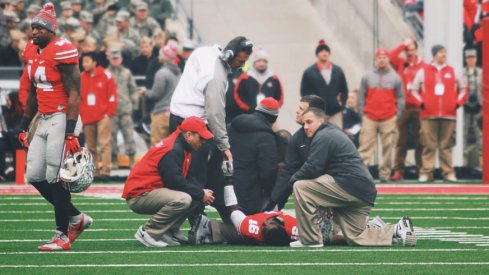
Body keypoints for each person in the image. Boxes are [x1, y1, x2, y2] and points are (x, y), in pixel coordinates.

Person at [18, 3, 92, 251]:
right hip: (44, 116)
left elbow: (75, 93)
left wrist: (71, 130)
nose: (34, 31)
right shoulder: (32, 52)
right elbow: (31, 94)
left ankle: (62, 234)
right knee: (35, 176)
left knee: (55, 176)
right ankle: (76, 218)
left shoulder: (63, 50)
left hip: (62, 116)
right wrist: (23, 125)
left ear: (51, 31)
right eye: (33, 27)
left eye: (40, 28)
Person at [289, 108, 415, 247]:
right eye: (304, 123)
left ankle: (310, 240)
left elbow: (312, 168)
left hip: (348, 186)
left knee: (301, 187)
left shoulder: (323, 136)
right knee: (356, 236)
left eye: (309, 122)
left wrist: (289, 183)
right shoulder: (331, 132)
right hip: (363, 191)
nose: (305, 126)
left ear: (321, 120)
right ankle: (396, 229)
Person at [169, 36, 253, 218]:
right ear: (229, 55)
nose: (241, 66)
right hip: (192, 126)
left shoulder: (204, 51)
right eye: (240, 61)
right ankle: (196, 223)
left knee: (178, 175)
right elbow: (215, 112)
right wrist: (224, 145)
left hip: (177, 116)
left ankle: (176, 223)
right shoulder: (216, 75)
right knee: (195, 178)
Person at [122, 116, 215, 247]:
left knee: (194, 194)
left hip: (149, 190)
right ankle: (148, 232)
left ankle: (169, 231)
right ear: (188, 135)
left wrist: (199, 193)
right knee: (185, 198)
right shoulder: (172, 149)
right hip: (139, 195)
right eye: (201, 138)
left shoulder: (181, 145)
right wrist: (200, 193)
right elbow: (174, 182)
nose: (203, 142)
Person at [411, 45, 468, 182]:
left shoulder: (453, 71)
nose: (444, 54)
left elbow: (464, 89)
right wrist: (421, 103)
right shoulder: (423, 71)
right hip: (428, 115)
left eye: (445, 52)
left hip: (448, 115)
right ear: (435, 54)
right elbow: (413, 90)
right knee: (428, 145)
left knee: (446, 146)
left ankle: (448, 173)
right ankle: (426, 172)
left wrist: (457, 103)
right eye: (441, 52)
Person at [267, 95, 326, 210]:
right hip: (320, 189)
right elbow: (288, 171)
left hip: (343, 189)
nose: (297, 111)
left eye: (301, 109)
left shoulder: (329, 135)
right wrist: (274, 203)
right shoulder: (297, 138)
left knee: (300, 185)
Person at [357, 48, 404, 182]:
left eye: (384, 57)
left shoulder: (396, 78)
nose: (382, 59)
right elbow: (361, 96)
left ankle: (384, 174)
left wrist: (397, 115)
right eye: (379, 57)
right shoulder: (367, 76)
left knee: (388, 147)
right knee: (365, 147)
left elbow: (401, 98)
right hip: (369, 117)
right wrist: (363, 114)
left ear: (388, 59)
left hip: (389, 118)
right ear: (376, 59)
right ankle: (361, 175)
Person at [229, 97, 280, 215]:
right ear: (273, 119)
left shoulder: (232, 126)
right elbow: (268, 172)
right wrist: (273, 193)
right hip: (249, 191)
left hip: (225, 184)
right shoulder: (267, 137)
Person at [389, 38, 425, 181]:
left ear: (416, 50)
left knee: (420, 140)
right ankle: (399, 171)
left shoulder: (423, 66)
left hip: (418, 107)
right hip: (402, 107)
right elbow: (391, 55)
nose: (410, 52)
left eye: (412, 49)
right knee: (401, 140)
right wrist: (403, 44)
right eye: (407, 50)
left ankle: (422, 170)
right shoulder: (400, 63)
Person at [80, 51, 117, 181]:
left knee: (104, 144)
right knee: (90, 146)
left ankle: (105, 171)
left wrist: (109, 114)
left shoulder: (106, 75)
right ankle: (93, 172)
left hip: (103, 116)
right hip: (88, 116)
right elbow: (80, 98)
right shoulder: (81, 77)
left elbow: (112, 96)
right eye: (83, 61)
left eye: (86, 61)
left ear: (94, 62)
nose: (84, 64)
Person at [300, 39, 348, 128]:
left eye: (326, 50)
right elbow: (304, 93)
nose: (324, 53)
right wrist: (311, 108)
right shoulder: (309, 72)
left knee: (336, 137)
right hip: (317, 113)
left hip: (335, 113)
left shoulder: (338, 71)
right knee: (318, 137)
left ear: (329, 53)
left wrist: (341, 104)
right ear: (317, 54)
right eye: (321, 51)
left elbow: (344, 90)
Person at [139, 44, 180, 146]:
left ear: (165, 58)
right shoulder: (178, 73)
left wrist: (145, 92)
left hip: (161, 113)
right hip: (173, 113)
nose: (158, 57)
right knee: (170, 146)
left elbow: (156, 94)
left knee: (157, 146)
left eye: (161, 55)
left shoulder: (162, 73)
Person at [107, 46, 138, 168]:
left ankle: (131, 159)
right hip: (112, 110)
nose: (115, 60)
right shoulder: (106, 73)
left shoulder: (127, 73)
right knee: (112, 136)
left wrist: (134, 104)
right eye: (113, 58)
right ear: (110, 59)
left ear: (121, 59)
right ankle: (114, 159)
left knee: (128, 134)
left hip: (125, 109)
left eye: (117, 58)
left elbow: (133, 89)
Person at [462, 48, 482, 170]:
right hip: (465, 106)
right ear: (466, 59)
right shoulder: (462, 73)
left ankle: (481, 162)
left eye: (473, 57)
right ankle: (464, 161)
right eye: (469, 58)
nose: (471, 60)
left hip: (478, 106)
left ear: (476, 59)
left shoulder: (481, 72)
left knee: (479, 133)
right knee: (464, 133)